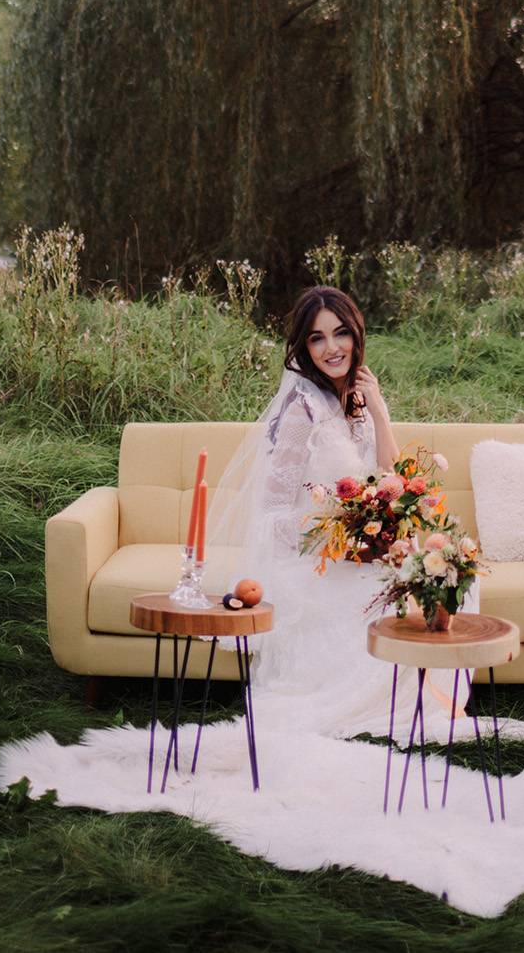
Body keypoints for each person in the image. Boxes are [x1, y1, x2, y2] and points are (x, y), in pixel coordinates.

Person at [209, 283, 460, 738]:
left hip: (356, 552)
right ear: (304, 347)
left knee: (441, 581)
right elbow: (272, 514)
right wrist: (341, 540)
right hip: (314, 562)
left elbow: (392, 476)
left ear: (356, 335)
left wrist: (380, 409)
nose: (331, 348)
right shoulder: (301, 408)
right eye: (316, 338)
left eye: (340, 333)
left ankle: (416, 698)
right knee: (387, 596)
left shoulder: (359, 400)